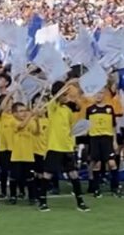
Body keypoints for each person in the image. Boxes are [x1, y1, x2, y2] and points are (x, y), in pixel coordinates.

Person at [38, 80, 90, 213]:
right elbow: (56, 96)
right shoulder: (53, 107)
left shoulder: (67, 109)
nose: (66, 97)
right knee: (47, 174)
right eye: (64, 94)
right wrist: (68, 82)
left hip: (67, 147)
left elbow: (72, 126)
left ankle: (80, 202)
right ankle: (42, 201)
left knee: (73, 174)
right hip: (54, 147)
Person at [86, 90, 121, 197]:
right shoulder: (90, 109)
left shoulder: (109, 109)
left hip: (107, 139)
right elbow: (87, 125)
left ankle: (115, 187)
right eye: (96, 93)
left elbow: (113, 126)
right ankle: (96, 189)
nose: (98, 96)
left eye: (101, 93)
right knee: (97, 164)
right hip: (95, 139)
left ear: (104, 95)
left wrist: (114, 141)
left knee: (112, 163)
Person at [8, 101, 38, 204]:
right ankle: (13, 196)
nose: (24, 113)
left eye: (25, 111)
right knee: (14, 177)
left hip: (28, 155)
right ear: (14, 113)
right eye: (21, 111)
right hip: (16, 155)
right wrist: (30, 115)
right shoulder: (12, 121)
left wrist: (37, 119)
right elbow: (20, 126)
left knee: (30, 177)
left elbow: (36, 132)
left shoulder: (29, 121)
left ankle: (32, 197)